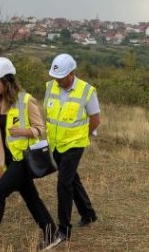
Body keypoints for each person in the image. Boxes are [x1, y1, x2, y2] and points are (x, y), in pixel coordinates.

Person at [0, 57, 57, 252]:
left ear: (8, 80)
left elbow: (41, 129)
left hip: (23, 160)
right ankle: (52, 233)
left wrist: (23, 132)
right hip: (10, 160)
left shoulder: (26, 100)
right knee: (32, 198)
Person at [43, 53, 100, 248]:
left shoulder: (87, 91)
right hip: (56, 143)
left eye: (61, 77)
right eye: (55, 77)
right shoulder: (50, 87)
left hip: (75, 144)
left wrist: (84, 136)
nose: (58, 81)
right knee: (72, 179)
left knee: (64, 183)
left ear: (72, 73)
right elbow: (49, 114)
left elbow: (95, 119)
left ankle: (64, 229)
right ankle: (88, 213)